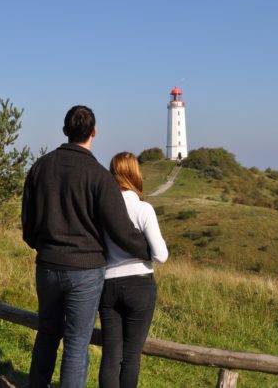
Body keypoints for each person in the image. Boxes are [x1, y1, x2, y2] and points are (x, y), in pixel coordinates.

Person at [22, 106, 151, 388]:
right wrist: (148, 250)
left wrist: (43, 247)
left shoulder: (39, 167)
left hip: (46, 265)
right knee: (77, 344)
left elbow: (28, 226)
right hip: (86, 271)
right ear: (94, 132)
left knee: (46, 335)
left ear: (65, 130)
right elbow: (121, 231)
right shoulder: (99, 176)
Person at [98, 152, 169, 388]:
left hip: (107, 284)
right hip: (139, 284)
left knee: (111, 355)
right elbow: (161, 255)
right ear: (135, 174)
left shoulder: (102, 209)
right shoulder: (143, 209)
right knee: (130, 357)